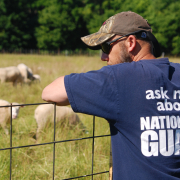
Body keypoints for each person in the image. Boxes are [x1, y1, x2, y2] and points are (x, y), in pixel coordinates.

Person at [42, 11, 180, 180]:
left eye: (106, 47)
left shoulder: (119, 78)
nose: (103, 57)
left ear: (130, 42)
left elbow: (50, 93)